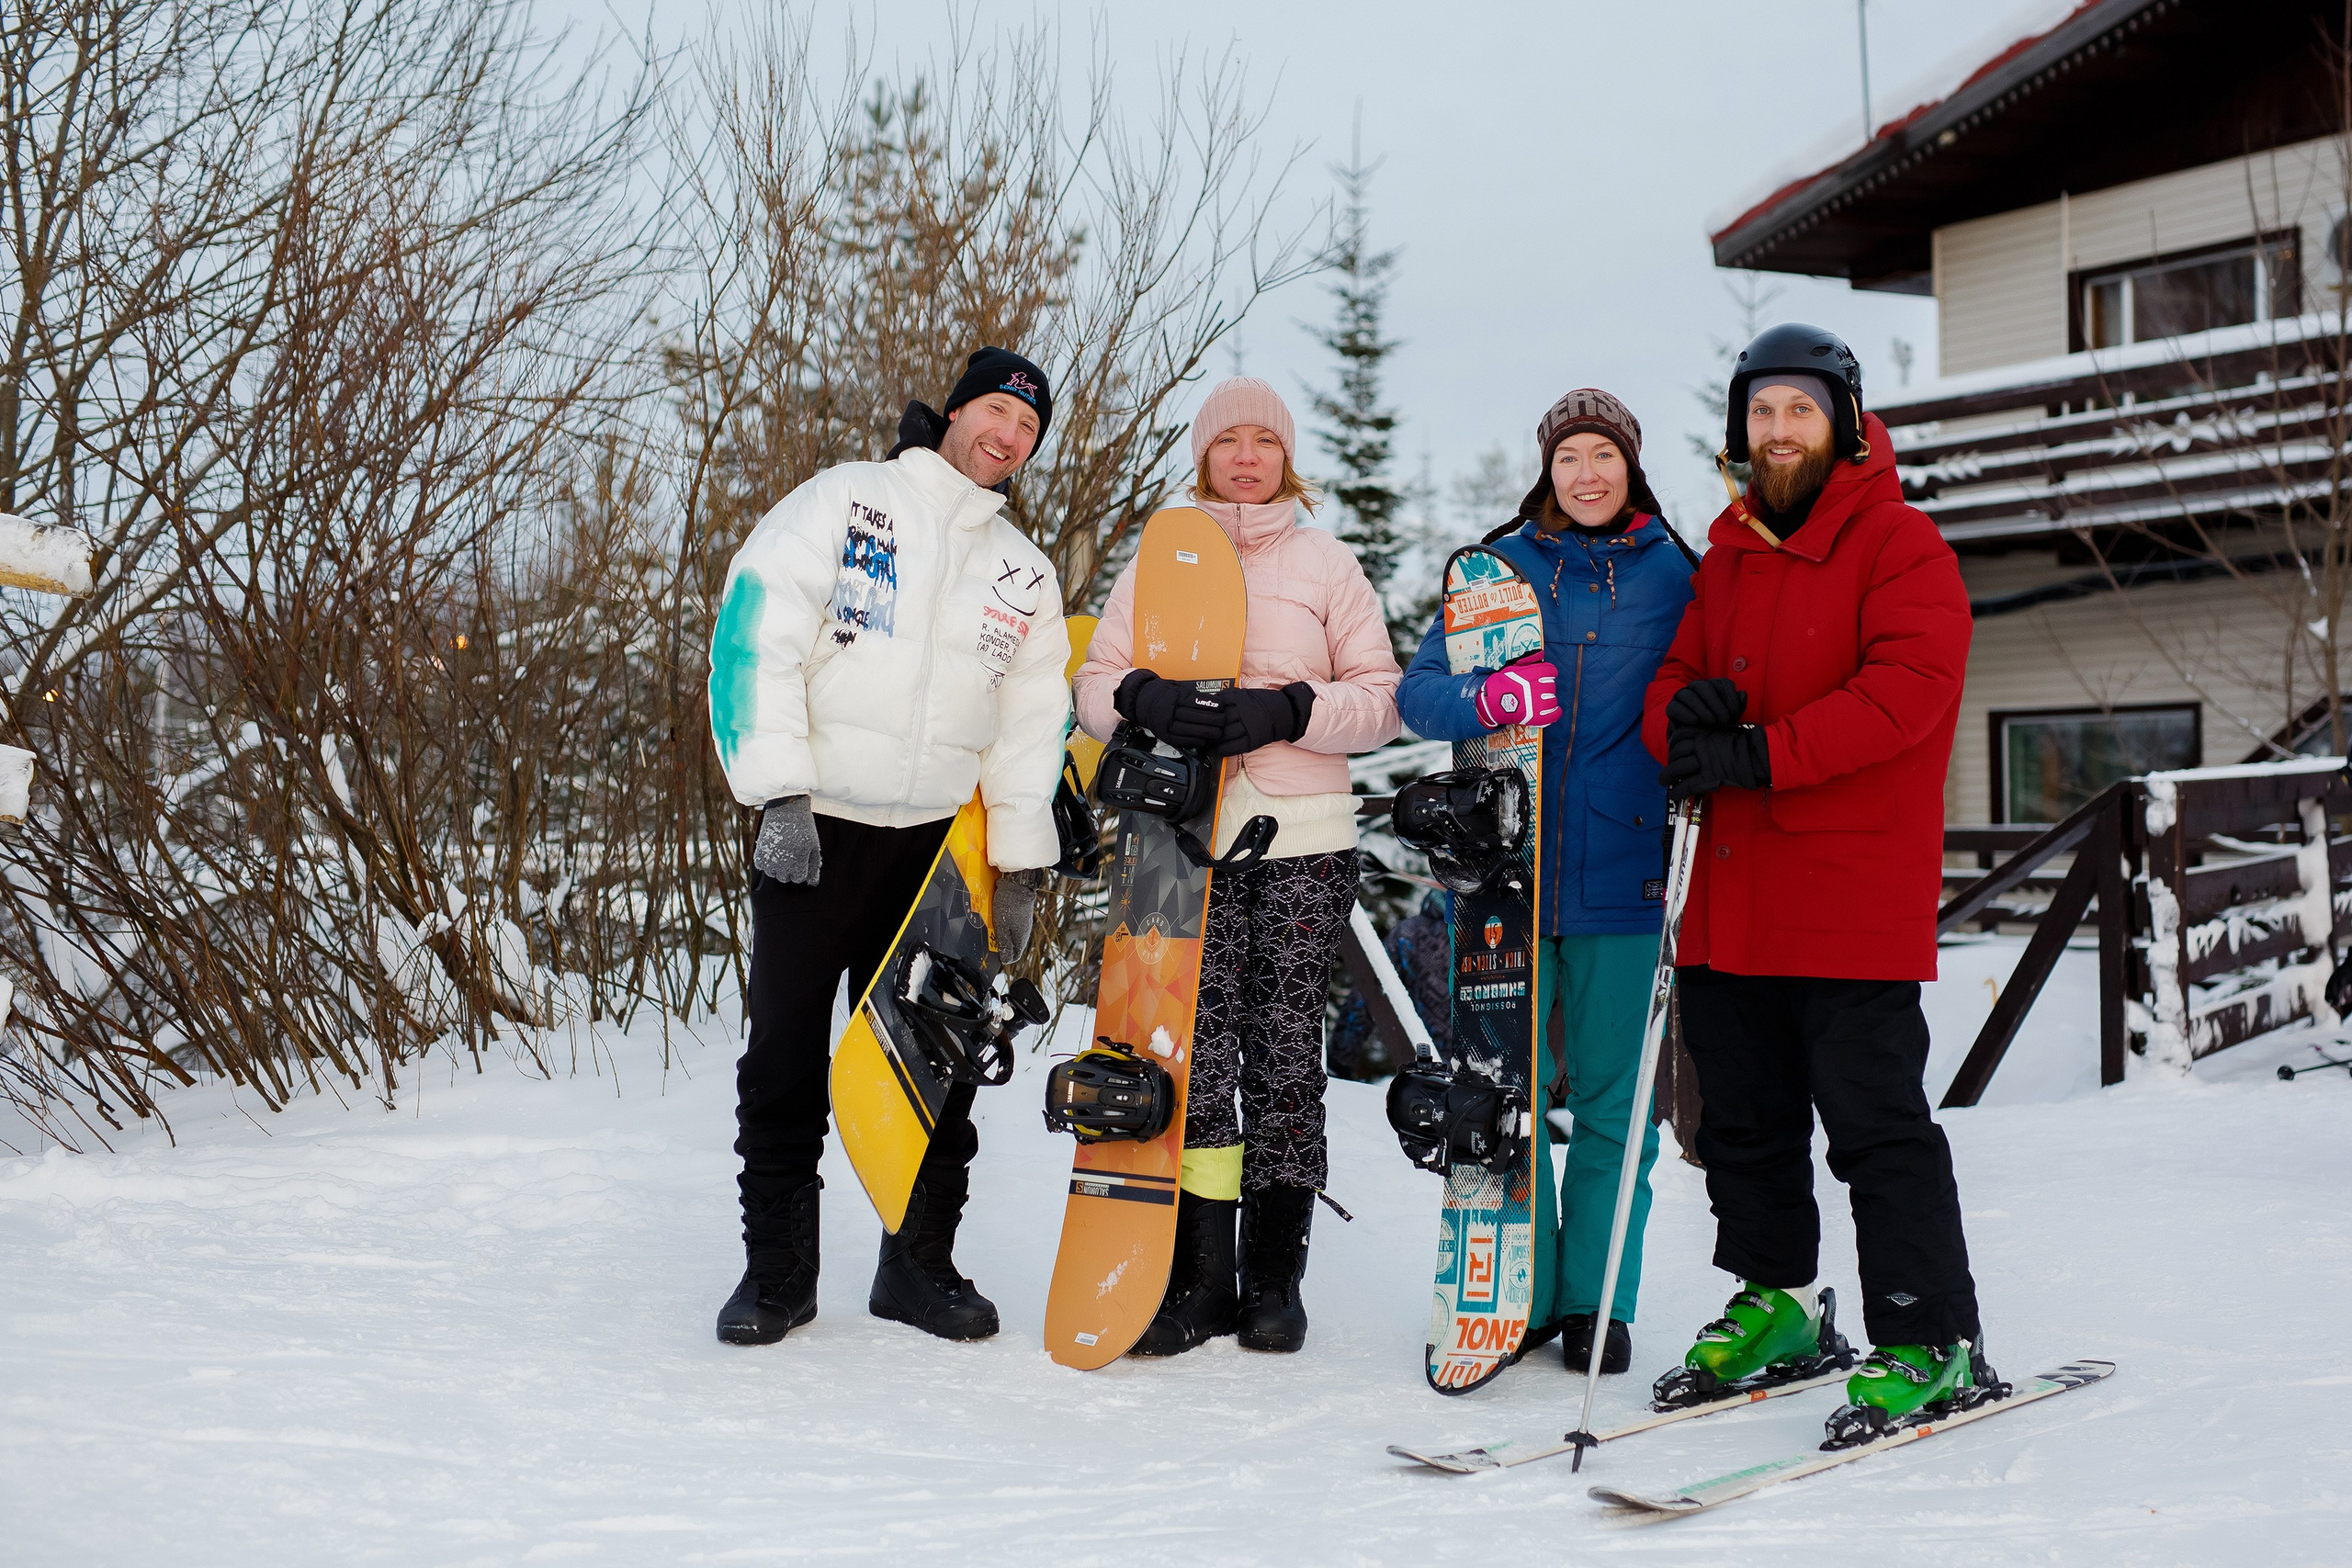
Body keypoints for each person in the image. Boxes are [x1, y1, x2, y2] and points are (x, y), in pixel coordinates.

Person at [1641, 323, 1984, 1429]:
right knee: (1740, 1125)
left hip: (1844, 899)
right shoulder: (1729, 549)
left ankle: (1929, 1335)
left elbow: (1907, 690)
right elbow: (1676, 679)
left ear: (1841, 421)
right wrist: (1680, 726)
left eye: (1797, 410)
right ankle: (1780, 1302)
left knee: (1874, 1126)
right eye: (1759, 413)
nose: (1776, 431)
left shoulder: (1900, 544)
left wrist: (1761, 755)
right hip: (1729, 902)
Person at [707, 347, 1072, 1347]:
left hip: (937, 856)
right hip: (815, 835)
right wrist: (776, 793)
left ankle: (917, 1265)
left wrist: (1022, 857)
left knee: (933, 1063)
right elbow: (756, 630)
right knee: (783, 1056)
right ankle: (777, 1276)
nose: (1007, 434)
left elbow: (1032, 721)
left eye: (1028, 427)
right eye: (995, 409)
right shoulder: (845, 502)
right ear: (953, 411)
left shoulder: (1022, 572)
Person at [1072, 377, 1402, 1356]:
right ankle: (1203, 1278)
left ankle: (1274, 1279)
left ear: (1285, 456)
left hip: (1302, 832)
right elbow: (1092, 684)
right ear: (1206, 456)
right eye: (1229, 443)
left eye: (1264, 441)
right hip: (1183, 837)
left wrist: (1290, 709)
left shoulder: (1327, 562)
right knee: (1199, 1056)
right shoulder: (1164, 560)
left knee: (1284, 1054)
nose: (1247, 458)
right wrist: (1141, 697)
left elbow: (1382, 700)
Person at [1396, 388, 1697, 1376]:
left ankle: (1595, 1303)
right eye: (1570, 455)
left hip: (1624, 878)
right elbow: (1416, 691)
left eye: (1603, 454)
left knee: (1615, 1108)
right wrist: (1485, 696)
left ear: (1629, 464)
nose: (1587, 473)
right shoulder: (1500, 568)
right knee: (1507, 1094)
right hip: (1505, 880)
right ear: (1547, 467)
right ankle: (1515, 1289)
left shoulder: (1673, 573)